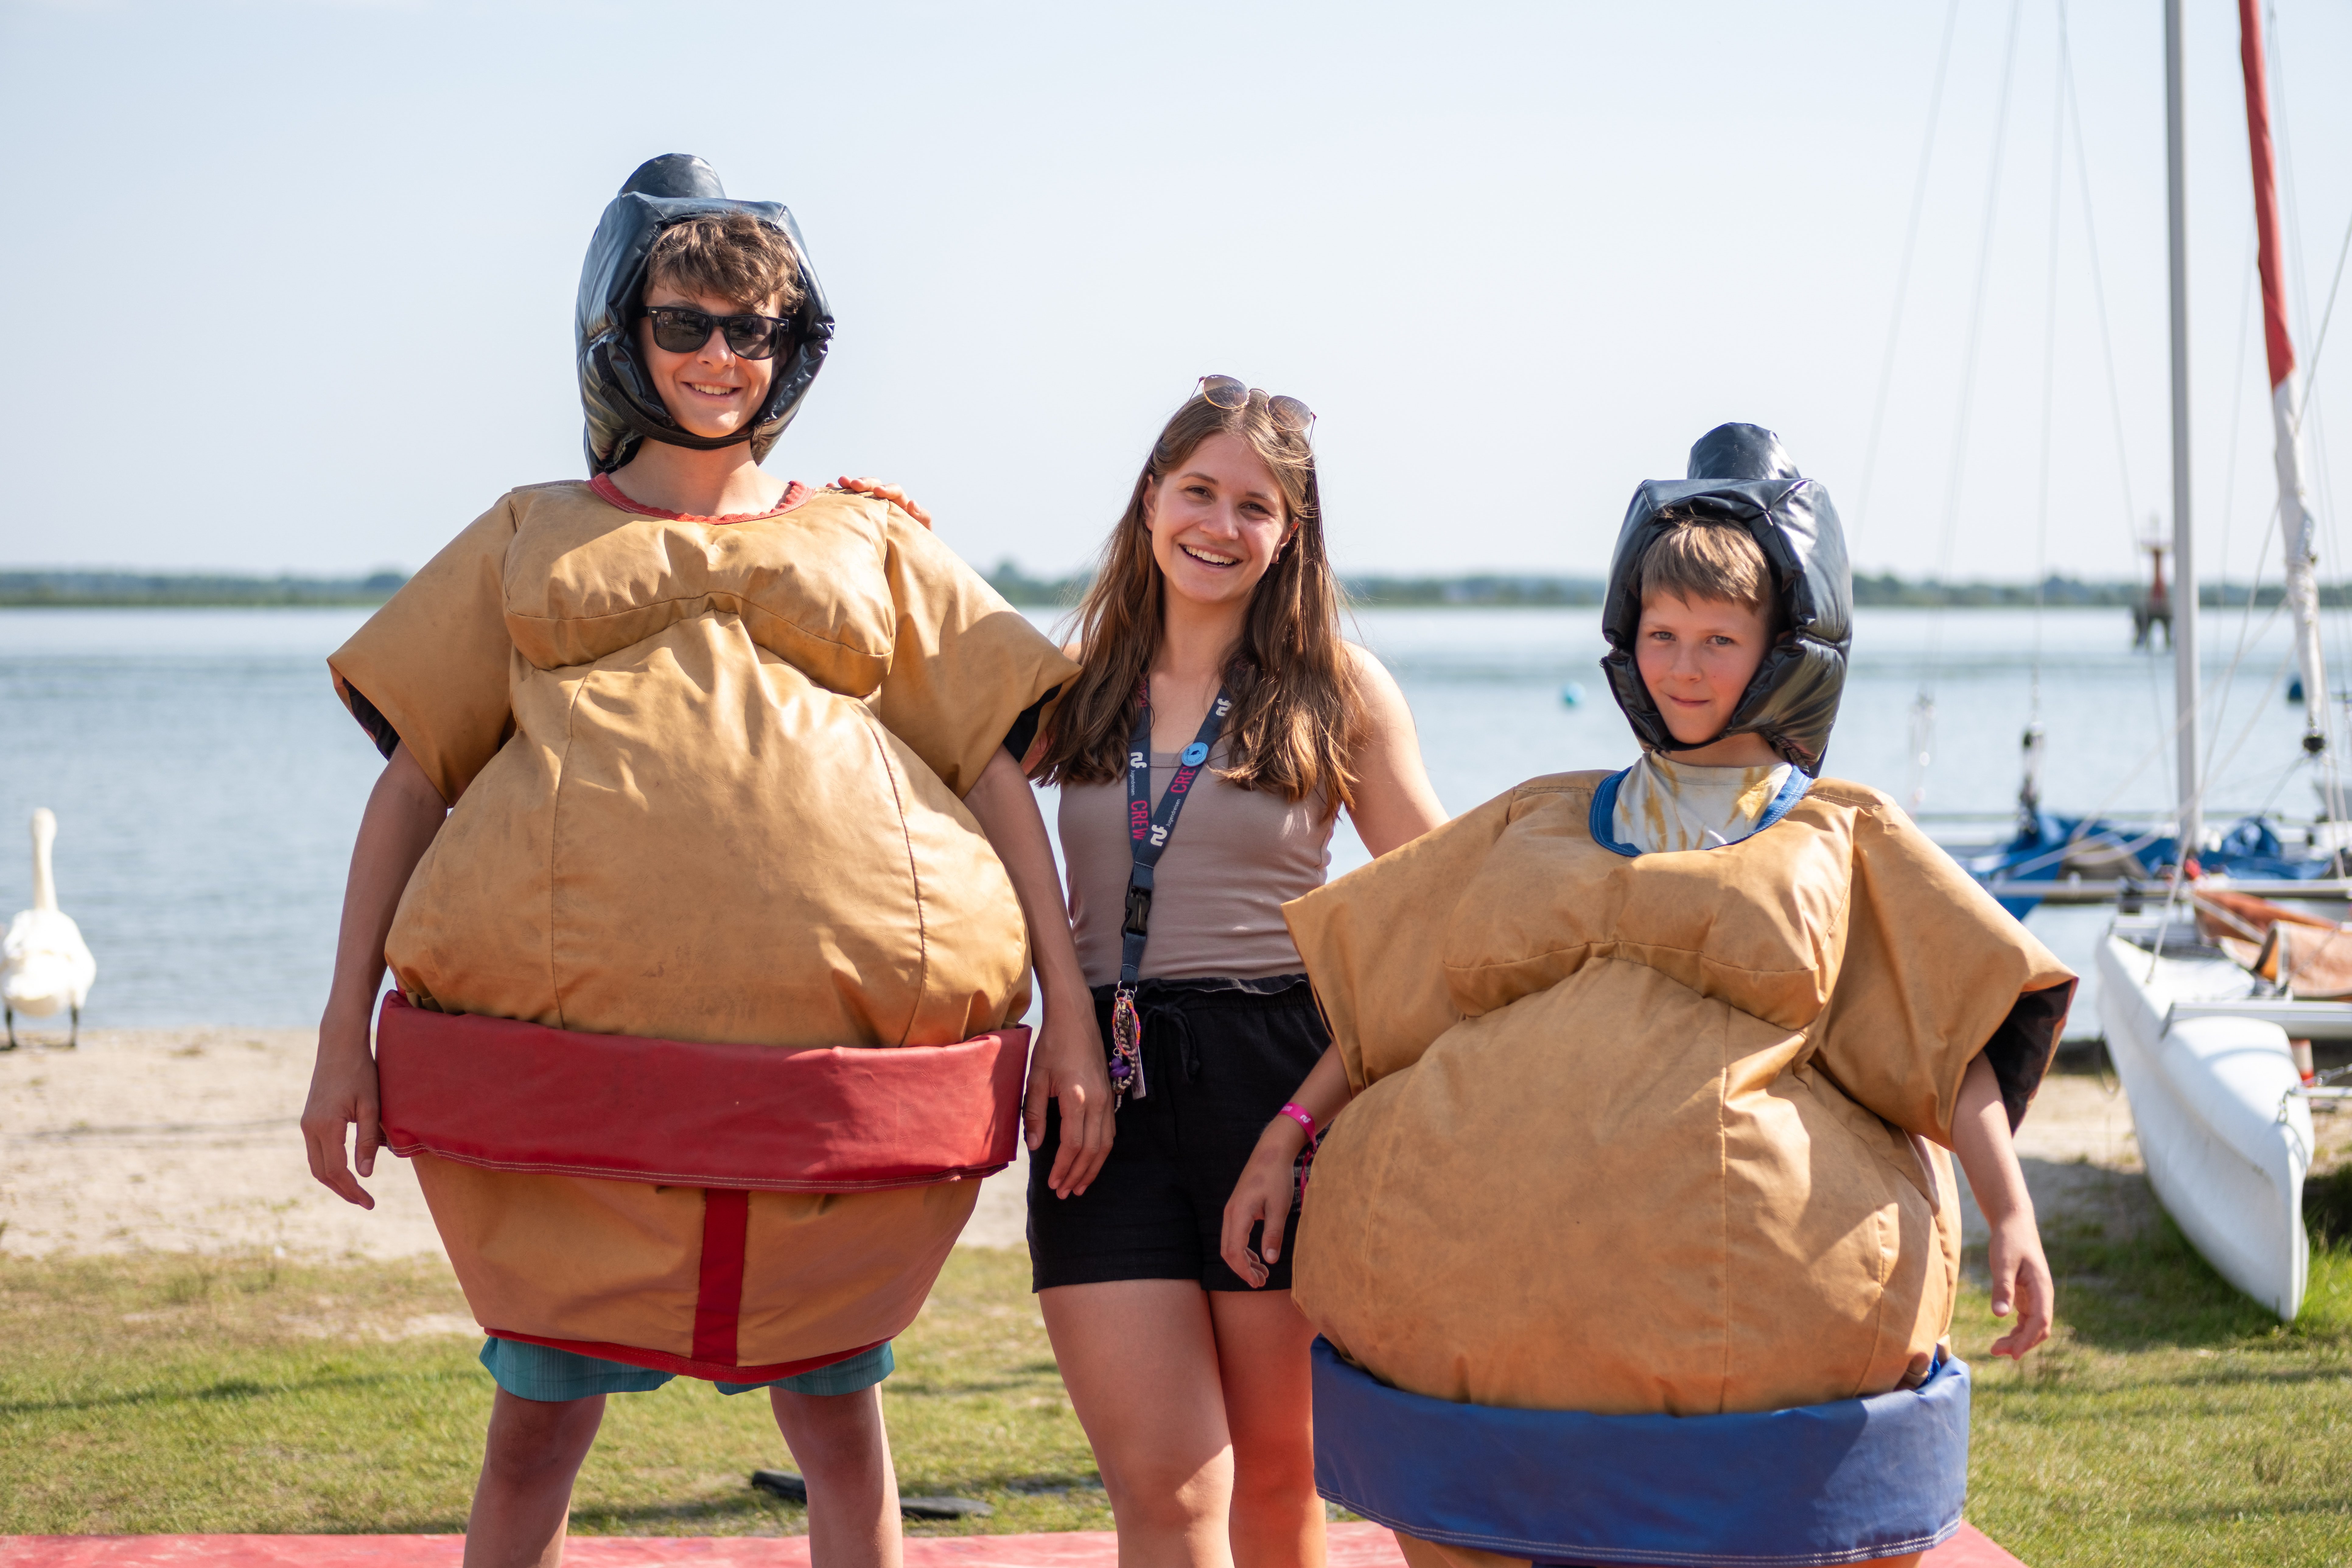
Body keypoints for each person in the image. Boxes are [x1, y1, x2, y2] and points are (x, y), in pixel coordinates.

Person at [299, 154, 1110, 1568]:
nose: (721, 358)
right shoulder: (528, 533)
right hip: (577, 1105)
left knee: (840, 1426)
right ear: (624, 334)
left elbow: (997, 768)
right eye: (688, 324)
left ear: (793, 351)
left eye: (754, 332)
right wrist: (337, 1043)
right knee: (535, 1432)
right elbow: (414, 781)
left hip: (819, 1111)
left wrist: (1074, 1024)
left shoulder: (873, 536)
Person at [1241, 424, 2074, 1568]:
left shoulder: (1838, 837)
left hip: (1758, 1351)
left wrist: (2013, 1218)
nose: (1684, 668)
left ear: (1785, 648)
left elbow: (1952, 1038)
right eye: (1663, 635)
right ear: (1626, 643)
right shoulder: (1540, 815)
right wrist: (1286, 1136)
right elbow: (1399, 1002)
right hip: (1486, 1349)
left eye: (1720, 642)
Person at [1022, 377, 1445, 1568]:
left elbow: (1437, 926)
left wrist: (1300, 1124)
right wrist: (1059, 1005)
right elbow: (951, 779)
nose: (1219, 523)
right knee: (1163, 1488)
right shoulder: (1070, 682)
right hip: (1093, 1092)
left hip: (1275, 1083)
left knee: (1274, 1483)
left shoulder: (1342, 691)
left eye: (1254, 505)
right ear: (1150, 499)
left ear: (1292, 531)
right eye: (1197, 490)